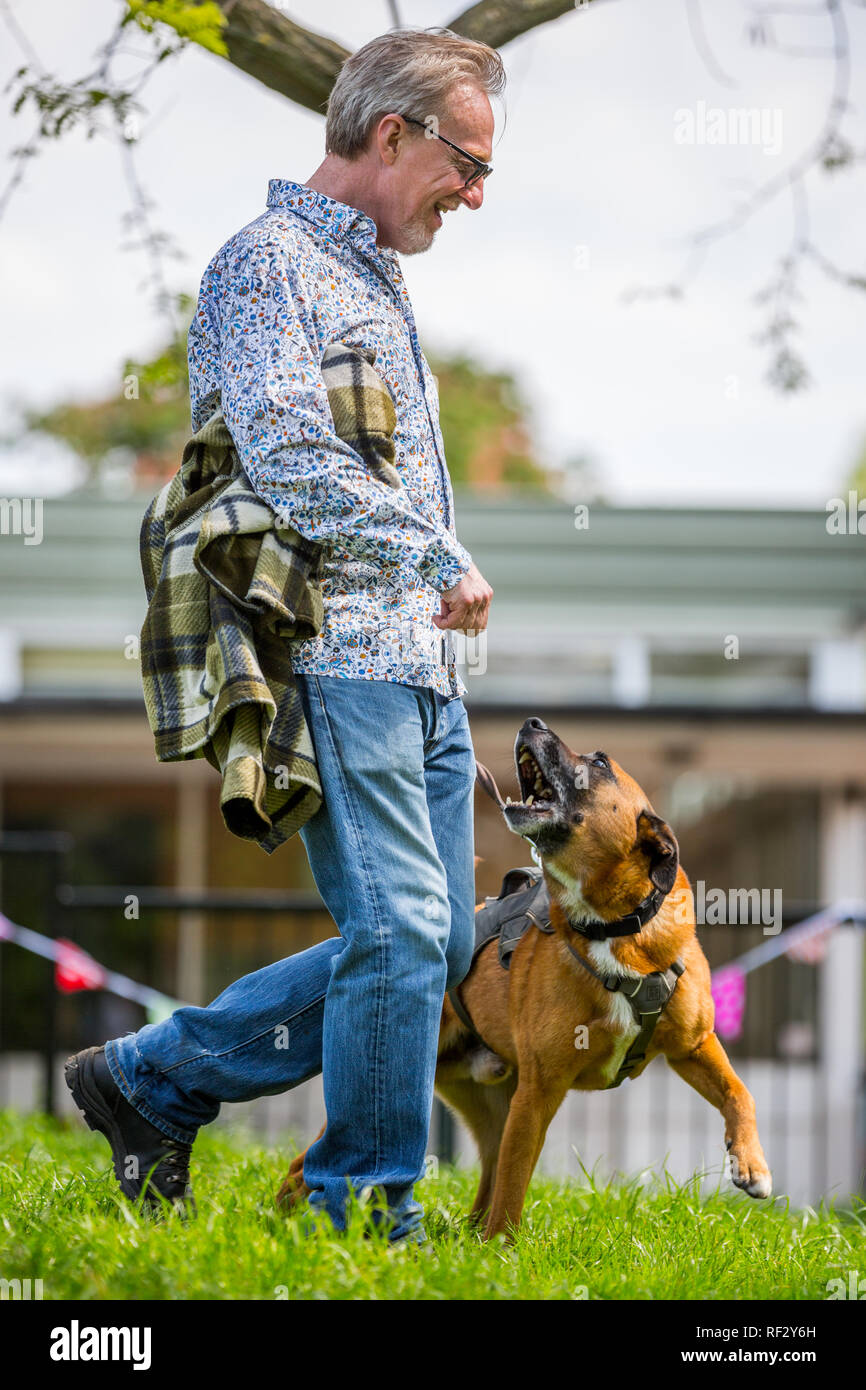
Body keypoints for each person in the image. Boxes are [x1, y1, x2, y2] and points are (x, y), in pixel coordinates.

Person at [65, 26, 501, 1249]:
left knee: (435, 940)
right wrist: (435, 554)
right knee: (400, 933)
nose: (472, 194)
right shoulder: (266, 266)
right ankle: (364, 1201)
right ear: (391, 133)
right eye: (466, 164)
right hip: (338, 654)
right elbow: (289, 455)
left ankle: (153, 1079)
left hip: (420, 668)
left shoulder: (375, 281)